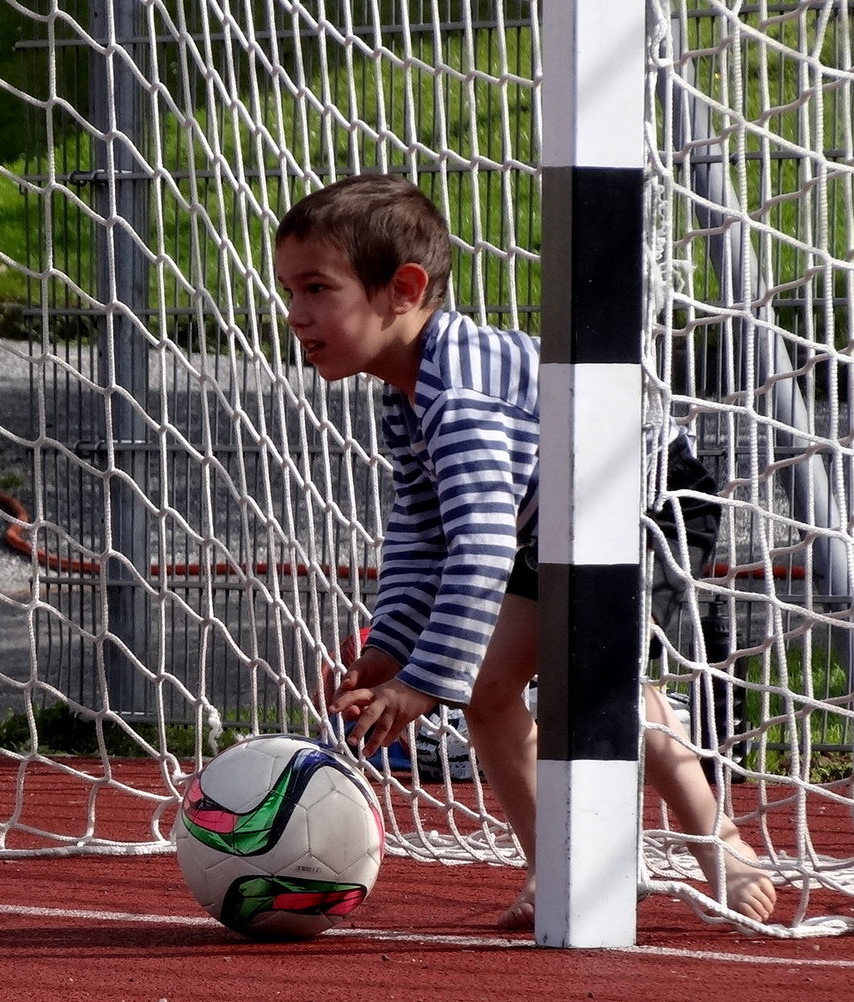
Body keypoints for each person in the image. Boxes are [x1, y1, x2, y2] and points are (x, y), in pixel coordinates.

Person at [274, 174, 776, 931]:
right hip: (553, 516)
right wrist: (389, 651)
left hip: (643, 491)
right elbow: (421, 529)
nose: (296, 314)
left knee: (601, 677)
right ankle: (564, 863)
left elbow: (477, 549)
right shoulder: (406, 391)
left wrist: (420, 684)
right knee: (490, 687)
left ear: (403, 289)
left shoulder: (462, 400)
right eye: (289, 289)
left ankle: (722, 847)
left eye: (317, 288)